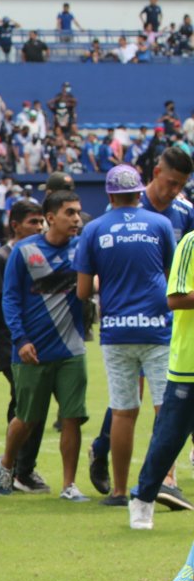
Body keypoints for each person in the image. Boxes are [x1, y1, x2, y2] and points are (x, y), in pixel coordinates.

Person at [75, 165, 178, 507]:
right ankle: (164, 483)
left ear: (109, 194)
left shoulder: (93, 229)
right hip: (157, 326)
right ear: (139, 192)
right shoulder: (160, 224)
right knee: (165, 410)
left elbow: (82, 291)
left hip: (117, 330)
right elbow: (170, 275)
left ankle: (119, 491)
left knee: (123, 412)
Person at [0, 190, 89, 501]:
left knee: (72, 417)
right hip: (32, 351)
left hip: (72, 350)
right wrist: (20, 340)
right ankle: (6, 464)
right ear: (51, 217)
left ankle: (68, 485)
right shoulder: (24, 251)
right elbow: (10, 299)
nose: (76, 219)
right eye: (69, 213)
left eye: (78, 213)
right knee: (27, 419)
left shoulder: (82, 248)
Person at [0, 199, 52, 494]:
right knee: (28, 404)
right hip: (9, 342)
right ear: (15, 225)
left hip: (36, 340)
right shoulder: (2, 257)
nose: (39, 227)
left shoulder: (39, 254)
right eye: (33, 222)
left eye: (41, 221)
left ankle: (20, 467)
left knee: (29, 403)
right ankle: (19, 469)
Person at [131, 224, 194, 529]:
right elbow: (175, 298)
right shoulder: (190, 244)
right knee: (169, 438)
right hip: (189, 365)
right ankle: (143, 499)